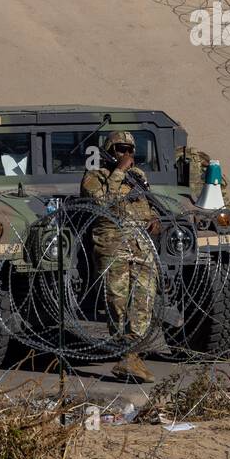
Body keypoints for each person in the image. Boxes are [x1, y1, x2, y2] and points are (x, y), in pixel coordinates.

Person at [80, 131, 161, 383]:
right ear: (108, 151)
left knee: (144, 300)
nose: (127, 154)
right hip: (113, 244)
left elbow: (146, 204)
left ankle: (133, 355)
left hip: (140, 244)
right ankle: (126, 355)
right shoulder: (95, 177)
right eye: (120, 149)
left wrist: (154, 220)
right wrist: (119, 172)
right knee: (117, 300)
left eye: (130, 150)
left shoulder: (138, 177)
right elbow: (104, 204)